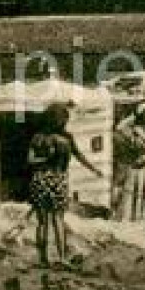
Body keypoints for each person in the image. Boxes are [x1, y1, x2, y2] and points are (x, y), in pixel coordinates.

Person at [26, 102, 104, 269]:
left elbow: (30, 160)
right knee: (58, 219)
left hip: (40, 179)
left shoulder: (38, 137)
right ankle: (61, 258)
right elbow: (79, 156)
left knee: (42, 222)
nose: (65, 122)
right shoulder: (67, 138)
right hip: (59, 180)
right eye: (64, 118)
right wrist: (94, 170)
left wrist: (45, 158)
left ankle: (43, 259)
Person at [113, 102, 145, 222]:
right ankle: (131, 220)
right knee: (132, 193)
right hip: (136, 165)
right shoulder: (134, 129)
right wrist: (134, 116)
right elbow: (119, 128)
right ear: (141, 114)